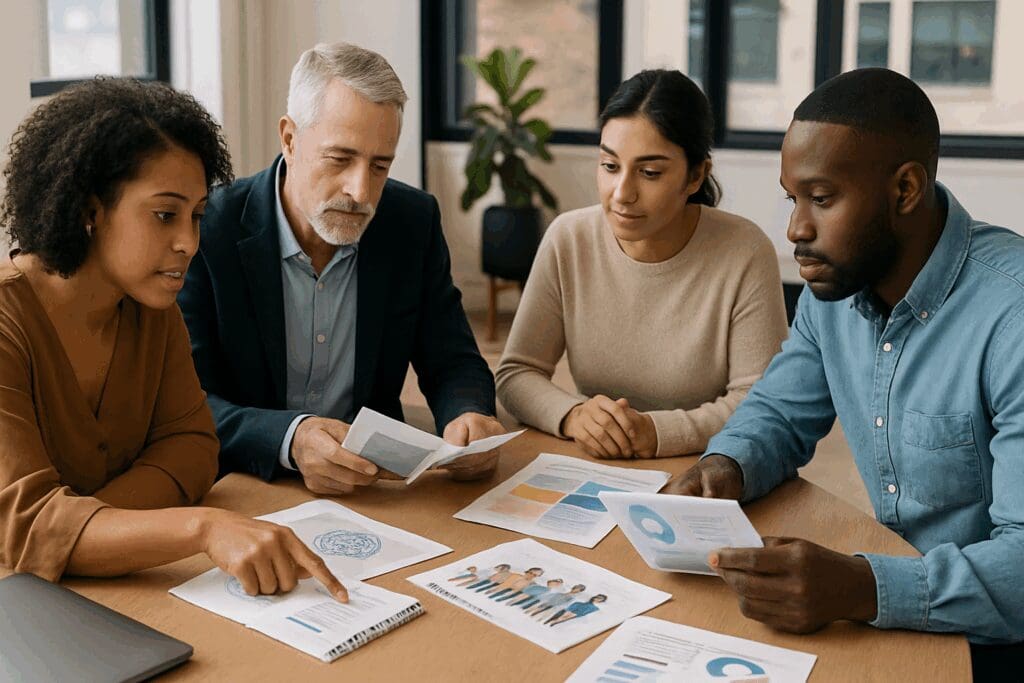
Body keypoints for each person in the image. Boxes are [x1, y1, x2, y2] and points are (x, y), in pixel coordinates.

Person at [666, 68, 1024, 678]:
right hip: (901, 617)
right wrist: (726, 465)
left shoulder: (1012, 315)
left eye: (822, 199)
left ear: (905, 189)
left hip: (996, 644)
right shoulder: (832, 293)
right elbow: (778, 412)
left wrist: (863, 588)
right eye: (792, 198)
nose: (796, 230)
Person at [0, 78, 346, 602]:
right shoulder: (9, 322)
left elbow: (193, 450)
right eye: (165, 214)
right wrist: (203, 528)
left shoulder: (150, 305)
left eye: (197, 215)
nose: (189, 242)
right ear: (89, 211)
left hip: (90, 592)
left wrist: (88, 531)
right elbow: (28, 528)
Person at [179, 42, 503, 494]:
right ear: (289, 139)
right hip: (245, 480)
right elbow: (187, 403)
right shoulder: (207, 229)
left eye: (380, 165)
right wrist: (290, 439)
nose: (361, 190)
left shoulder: (412, 221)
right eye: (340, 159)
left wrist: (468, 415)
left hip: (371, 488)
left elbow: (453, 360)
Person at [496, 69, 787, 459]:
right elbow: (516, 374)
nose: (622, 194)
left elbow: (759, 402)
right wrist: (574, 415)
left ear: (696, 175)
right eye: (610, 166)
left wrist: (658, 432)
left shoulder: (745, 251)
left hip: (707, 467)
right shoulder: (569, 238)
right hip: (596, 464)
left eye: (650, 173)